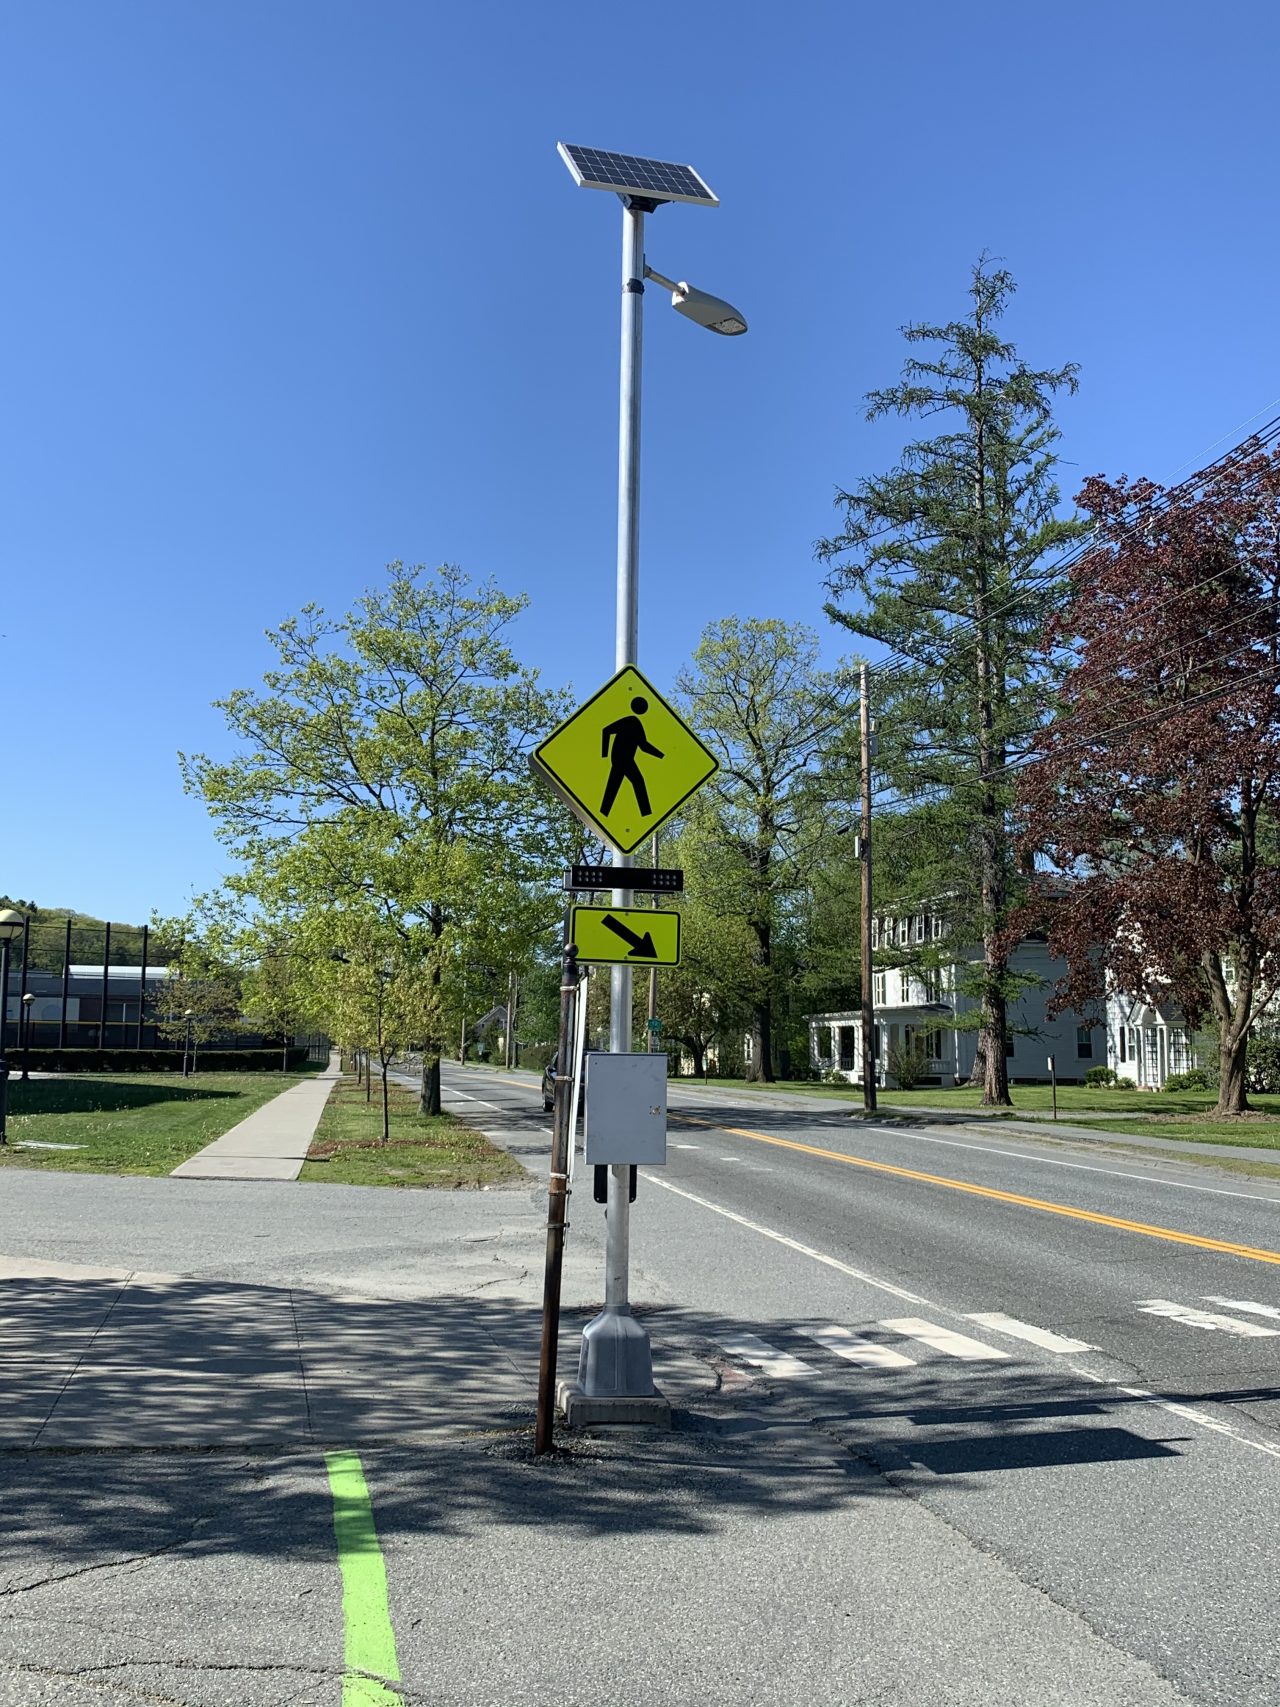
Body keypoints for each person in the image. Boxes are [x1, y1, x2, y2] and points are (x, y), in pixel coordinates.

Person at [600, 697, 663, 818]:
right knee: (637, 782)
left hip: (625, 759)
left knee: (614, 787)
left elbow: (643, 746)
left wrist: (661, 755)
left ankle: (604, 813)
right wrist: (604, 755)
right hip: (621, 759)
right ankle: (646, 814)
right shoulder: (630, 721)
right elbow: (606, 731)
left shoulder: (636, 723)